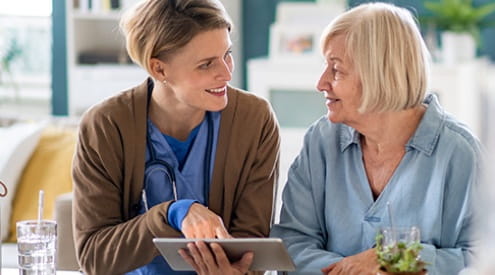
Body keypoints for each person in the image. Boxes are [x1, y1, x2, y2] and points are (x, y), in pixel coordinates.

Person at [270, 2, 482, 275]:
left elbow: (482, 259)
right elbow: (292, 244)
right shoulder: (320, 142)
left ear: (378, 75)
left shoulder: (460, 153)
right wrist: (354, 271)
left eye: (336, 69)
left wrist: (399, 258)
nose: (320, 83)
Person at [71, 0, 280, 274]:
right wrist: (173, 213)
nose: (227, 74)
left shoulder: (254, 120)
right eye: (206, 65)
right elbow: (94, 257)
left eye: (227, 54)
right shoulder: (105, 127)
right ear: (159, 69)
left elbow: (252, 246)